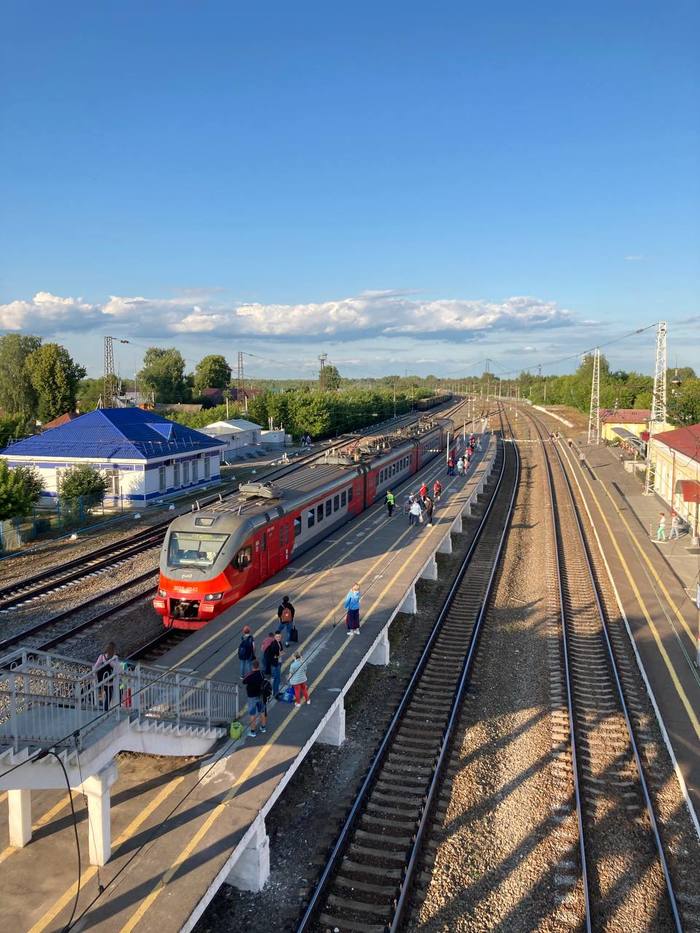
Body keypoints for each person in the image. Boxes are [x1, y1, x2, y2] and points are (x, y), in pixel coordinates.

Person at [243, 660, 268, 737]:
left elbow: (244, 681)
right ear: (258, 666)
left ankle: (253, 731)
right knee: (262, 712)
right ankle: (263, 727)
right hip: (261, 696)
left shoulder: (250, 675)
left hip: (252, 697)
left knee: (252, 714)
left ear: (252, 667)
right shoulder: (261, 673)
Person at [93, 642, 119, 711]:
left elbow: (95, 667)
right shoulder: (114, 657)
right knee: (109, 694)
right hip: (109, 679)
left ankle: (99, 704)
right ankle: (105, 709)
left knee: (103, 692)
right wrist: (110, 661)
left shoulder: (101, 656)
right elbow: (117, 668)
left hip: (101, 678)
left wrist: (94, 675)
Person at [264, 632, 284, 697]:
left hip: (279, 662)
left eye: (280, 637)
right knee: (276, 679)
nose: (279, 638)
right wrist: (279, 655)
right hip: (276, 664)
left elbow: (280, 651)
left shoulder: (279, 643)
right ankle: (275, 693)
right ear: (274, 637)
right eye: (277, 637)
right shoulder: (274, 645)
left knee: (278, 678)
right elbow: (273, 656)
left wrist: (280, 653)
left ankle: (276, 691)